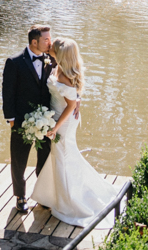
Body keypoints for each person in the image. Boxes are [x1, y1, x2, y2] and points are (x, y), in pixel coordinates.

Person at [29, 37, 118, 226]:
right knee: (62, 157)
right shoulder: (61, 67)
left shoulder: (65, 77)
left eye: (54, 46)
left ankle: (69, 202)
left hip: (64, 122)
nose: (50, 45)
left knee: (63, 157)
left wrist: (55, 127)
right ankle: (54, 196)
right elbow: (74, 97)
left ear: (61, 54)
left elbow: (70, 106)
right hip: (58, 116)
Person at [2, 24, 55, 214]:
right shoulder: (14, 62)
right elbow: (8, 93)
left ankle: (41, 194)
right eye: (46, 39)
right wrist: (11, 120)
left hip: (46, 120)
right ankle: (20, 196)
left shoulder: (52, 60)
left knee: (45, 158)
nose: (50, 42)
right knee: (19, 160)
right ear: (34, 42)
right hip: (22, 121)